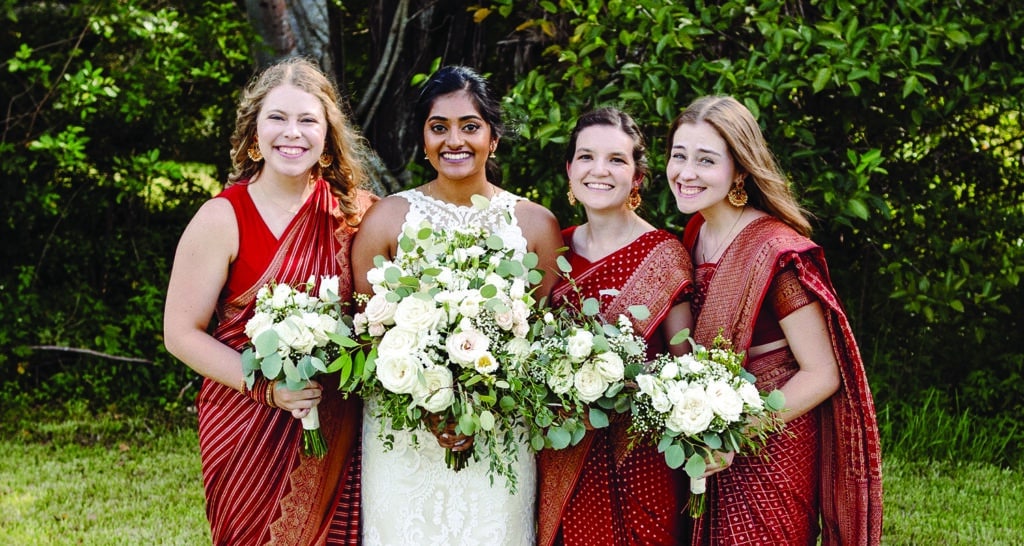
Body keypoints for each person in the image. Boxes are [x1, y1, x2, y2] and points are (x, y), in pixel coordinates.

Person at [163, 57, 377, 545]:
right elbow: (180, 333)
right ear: (254, 135)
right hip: (244, 422)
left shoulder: (357, 216)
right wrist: (267, 388)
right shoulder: (221, 217)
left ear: (327, 139)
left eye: (307, 121)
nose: (292, 133)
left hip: (335, 418)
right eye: (277, 118)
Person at [351, 65, 563, 545]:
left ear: (493, 137)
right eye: (438, 127)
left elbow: (541, 337)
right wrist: (426, 400)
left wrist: (479, 394)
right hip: (404, 436)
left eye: (470, 126)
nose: (455, 140)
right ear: (423, 138)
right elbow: (368, 334)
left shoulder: (534, 224)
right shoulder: (388, 219)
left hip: (497, 433)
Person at [665, 95, 883, 545]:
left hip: (774, 436)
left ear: (740, 170)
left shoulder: (776, 252)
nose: (686, 173)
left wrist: (736, 434)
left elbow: (822, 373)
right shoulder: (697, 231)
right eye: (678, 155)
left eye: (706, 160)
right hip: (710, 428)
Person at [537, 107, 695, 546]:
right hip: (564, 450)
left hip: (641, 458)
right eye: (586, 157)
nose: (599, 170)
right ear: (569, 171)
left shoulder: (665, 254)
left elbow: (684, 370)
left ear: (638, 177)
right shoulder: (555, 251)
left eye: (617, 160)